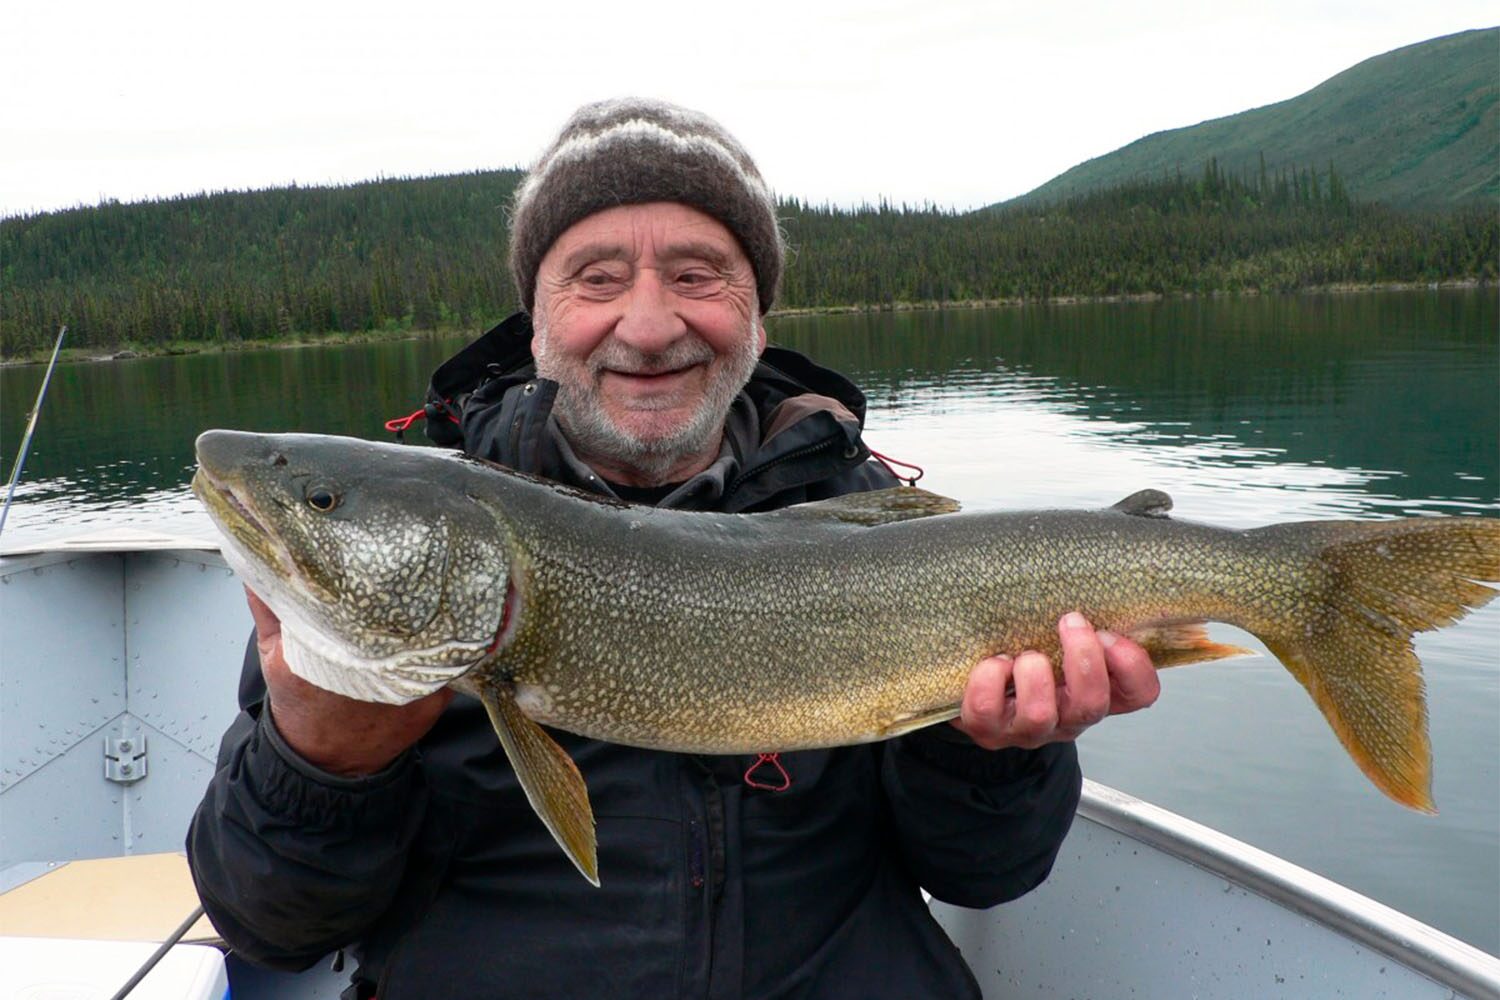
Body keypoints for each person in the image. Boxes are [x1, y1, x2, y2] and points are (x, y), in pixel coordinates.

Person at [187, 98, 1160, 999]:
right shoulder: (397, 558)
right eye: (597, 278)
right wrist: (320, 762)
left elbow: (984, 873)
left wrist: (994, 756)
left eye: (696, 275)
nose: (649, 326)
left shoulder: (880, 527)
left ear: (756, 310)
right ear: (537, 320)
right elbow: (272, 928)